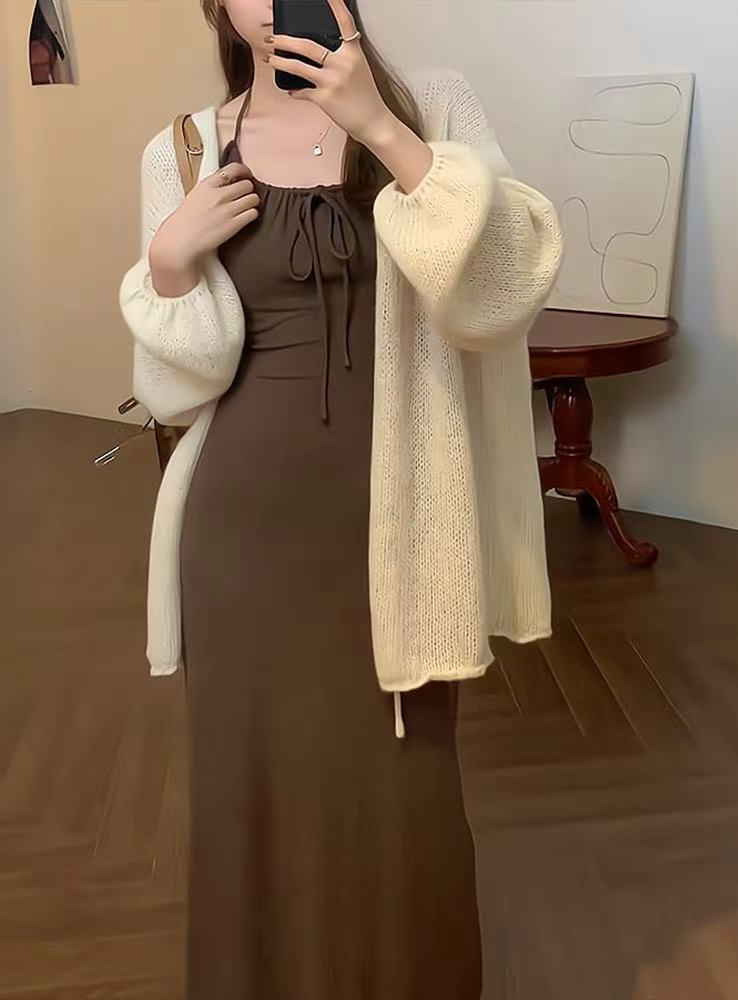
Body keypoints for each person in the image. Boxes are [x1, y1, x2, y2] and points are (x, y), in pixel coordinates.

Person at [118, 0, 563, 996]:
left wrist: (382, 133)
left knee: (403, 789)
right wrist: (170, 263)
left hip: (406, 521)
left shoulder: (432, 108)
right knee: (252, 788)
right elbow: (180, 387)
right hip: (240, 537)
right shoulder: (182, 151)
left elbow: (502, 293)